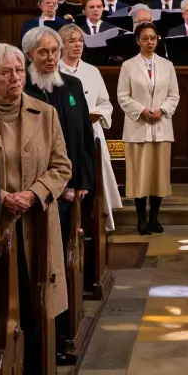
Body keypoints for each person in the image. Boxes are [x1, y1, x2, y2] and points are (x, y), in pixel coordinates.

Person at [0, 43, 73, 375]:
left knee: (35, 305)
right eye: (5, 73)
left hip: (37, 223)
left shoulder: (45, 114)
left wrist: (33, 194)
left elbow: (61, 167)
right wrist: (1, 196)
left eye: (18, 71)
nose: (14, 78)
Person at [22, 27, 96, 232]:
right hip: (35, 185)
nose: (51, 58)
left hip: (71, 184)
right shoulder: (22, 88)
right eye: (43, 52)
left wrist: (84, 180)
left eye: (55, 51)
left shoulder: (72, 85)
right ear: (29, 55)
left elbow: (85, 135)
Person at [117, 22, 180, 235]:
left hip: (161, 126)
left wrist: (162, 111)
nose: (150, 42)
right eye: (145, 38)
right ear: (137, 41)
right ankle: (140, 218)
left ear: (158, 39)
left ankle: (154, 218)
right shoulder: (128, 66)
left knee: (158, 176)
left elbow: (174, 95)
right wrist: (142, 110)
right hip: (137, 127)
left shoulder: (167, 65)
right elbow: (123, 96)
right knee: (139, 176)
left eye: (153, 38)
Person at [59, 24, 124, 230]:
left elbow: (106, 103)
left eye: (80, 40)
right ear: (61, 45)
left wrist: (98, 114)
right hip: (66, 137)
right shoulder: (56, 71)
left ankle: (97, 224)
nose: (77, 45)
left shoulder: (92, 71)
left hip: (93, 133)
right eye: (71, 41)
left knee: (95, 180)